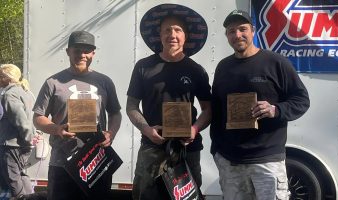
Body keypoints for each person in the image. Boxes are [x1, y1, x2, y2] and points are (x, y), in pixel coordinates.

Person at [210, 10, 310, 200]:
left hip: (267, 160)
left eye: (242, 29)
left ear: (253, 31)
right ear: (227, 36)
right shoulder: (223, 67)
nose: (237, 35)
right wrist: (217, 150)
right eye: (231, 31)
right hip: (230, 161)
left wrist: (275, 109)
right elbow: (217, 108)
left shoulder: (275, 62)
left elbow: (302, 100)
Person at [127, 4, 211, 200]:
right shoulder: (143, 67)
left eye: (178, 30)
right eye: (167, 30)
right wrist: (147, 129)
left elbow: (207, 109)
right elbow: (131, 106)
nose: (172, 34)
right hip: (151, 147)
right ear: (159, 35)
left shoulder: (196, 70)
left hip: (187, 149)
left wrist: (195, 129)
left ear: (185, 36)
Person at [32, 30, 122, 200]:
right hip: (62, 162)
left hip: (96, 160)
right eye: (77, 50)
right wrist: (57, 129)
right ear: (68, 52)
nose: (82, 55)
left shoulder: (105, 82)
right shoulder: (53, 83)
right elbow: (38, 118)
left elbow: (115, 113)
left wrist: (111, 133)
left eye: (87, 50)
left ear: (93, 53)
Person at [0, 64, 36, 199]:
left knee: (12, 178)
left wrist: (28, 138)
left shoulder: (9, 94)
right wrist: (32, 138)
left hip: (12, 145)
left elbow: (20, 120)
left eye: (0, 76)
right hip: (23, 143)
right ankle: (31, 197)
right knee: (20, 174)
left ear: (7, 78)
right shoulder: (26, 91)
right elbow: (31, 117)